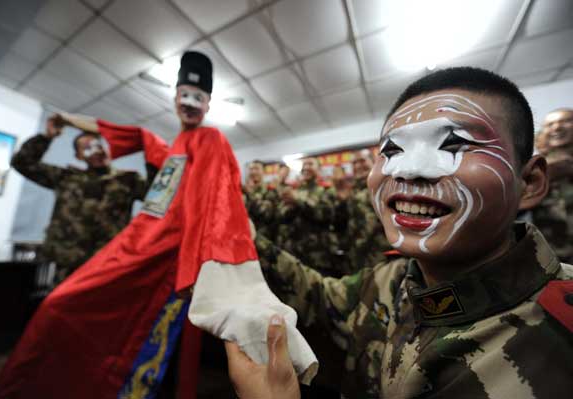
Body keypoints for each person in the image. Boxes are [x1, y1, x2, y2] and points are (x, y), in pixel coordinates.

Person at [226, 67, 573, 398]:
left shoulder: (560, 332)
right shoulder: (392, 281)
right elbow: (318, 296)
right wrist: (237, 230)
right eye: (392, 150)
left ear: (529, 182)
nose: (409, 170)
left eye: (452, 144)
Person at [0, 51, 316, 399]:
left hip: (172, 257)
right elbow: (129, 133)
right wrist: (69, 120)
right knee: (60, 306)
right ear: (174, 97)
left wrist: (209, 261)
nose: (190, 103)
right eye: (184, 95)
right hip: (137, 244)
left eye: (199, 97)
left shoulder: (211, 140)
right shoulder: (169, 149)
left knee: (146, 341)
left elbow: (220, 199)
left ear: (208, 104)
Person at [11, 116, 147, 282]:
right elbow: (22, 162)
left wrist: (150, 152)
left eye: (98, 145)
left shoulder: (129, 180)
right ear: (79, 156)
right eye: (87, 148)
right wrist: (47, 137)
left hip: (108, 264)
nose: (96, 151)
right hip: (68, 263)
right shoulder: (65, 178)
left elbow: (163, 196)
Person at [276, 157, 337, 276]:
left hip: (318, 255)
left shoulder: (326, 189)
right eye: (304, 165)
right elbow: (281, 216)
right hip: (293, 253)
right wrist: (290, 207)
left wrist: (297, 201)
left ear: (319, 169)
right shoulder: (294, 190)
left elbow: (325, 215)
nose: (306, 168)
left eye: (310, 164)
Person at [533, 108, 573, 264]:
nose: (557, 127)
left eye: (566, 121)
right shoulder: (530, 169)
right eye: (550, 124)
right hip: (552, 262)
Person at [346, 149, 391, 271]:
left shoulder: (386, 186)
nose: (358, 166)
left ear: (373, 162)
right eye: (354, 163)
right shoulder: (353, 190)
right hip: (361, 258)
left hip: (383, 256)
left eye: (362, 161)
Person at [243, 160, 278, 240]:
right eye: (251, 169)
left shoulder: (270, 190)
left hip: (264, 240)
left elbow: (265, 213)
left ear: (263, 172)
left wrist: (250, 194)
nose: (253, 172)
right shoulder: (243, 191)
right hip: (245, 238)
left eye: (256, 169)